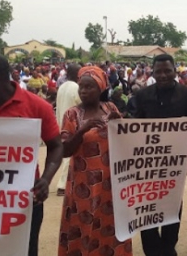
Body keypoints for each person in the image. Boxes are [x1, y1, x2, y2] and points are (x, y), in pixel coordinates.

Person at [134, 54, 187, 256]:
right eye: (158, 71)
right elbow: (133, 125)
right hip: (146, 163)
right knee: (146, 205)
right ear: (152, 72)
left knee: (173, 204)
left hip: (174, 163)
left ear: (175, 70)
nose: (163, 75)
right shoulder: (142, 95)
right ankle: (152, 249)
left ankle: (168, 246)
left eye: (167, 71)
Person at [58, 66, 129, 255]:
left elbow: (126, 142)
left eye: (89, 87)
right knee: (83, 224)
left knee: (110, 224)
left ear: (100, 88)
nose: (83, 91)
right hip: (83, 185)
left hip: (110, 182)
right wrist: (82, 130)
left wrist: (119, 124)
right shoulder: (72, 115)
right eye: (81, 87)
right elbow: (64, 151)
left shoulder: (110, 108)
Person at [0, 53, 63, 256]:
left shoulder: (37, 106)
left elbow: (56, 146)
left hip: (24, 195)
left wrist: (46, 178)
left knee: (25, 249)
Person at [55, 63, 82, 196]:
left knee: (64, 153)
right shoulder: (76, 87)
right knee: (69, 155)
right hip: (72, 123)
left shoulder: (62, 87)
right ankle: (62, 185)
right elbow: (80, 104)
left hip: (61, 122)